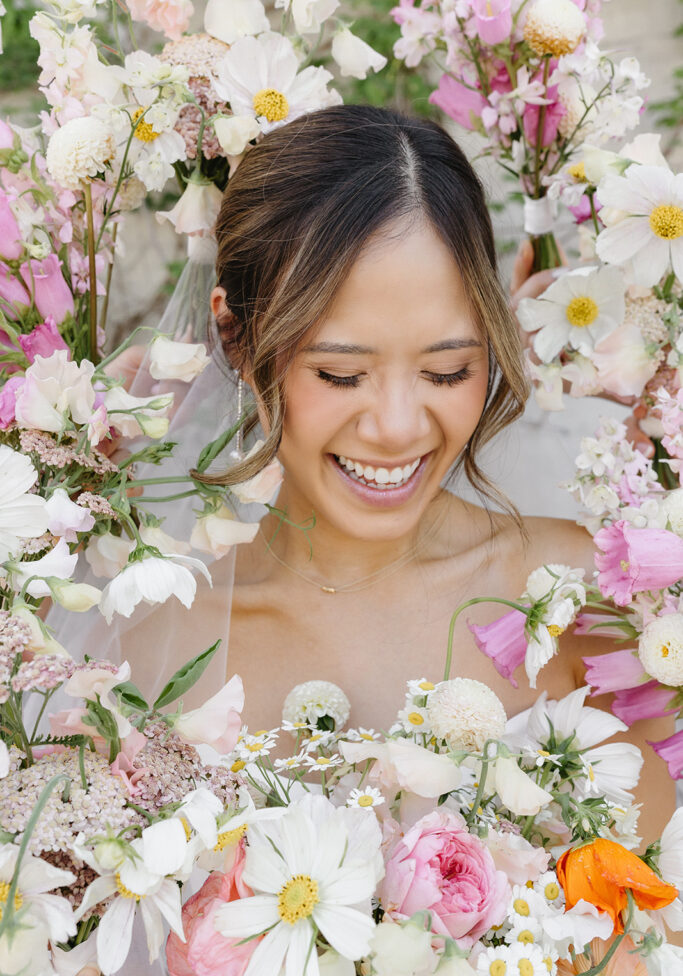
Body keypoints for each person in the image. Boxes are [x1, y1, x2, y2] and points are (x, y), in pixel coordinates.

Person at [114, 105, 674, 841]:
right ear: (236, 338)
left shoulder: (582, 600)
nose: (399, 426)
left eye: (448, 370)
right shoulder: (157, 650)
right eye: (341, 374)